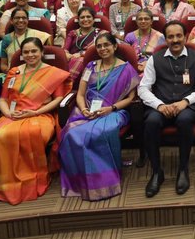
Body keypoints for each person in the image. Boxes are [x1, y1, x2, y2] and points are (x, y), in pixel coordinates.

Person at [0, 37, 71, 204]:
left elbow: (58, 99)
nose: (30, 55)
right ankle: (6, 184)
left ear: (42, 52)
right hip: (13, 114)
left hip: (40, 115)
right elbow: (3, 99)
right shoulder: (14, 72)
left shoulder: (53, 73)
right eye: (26, 52)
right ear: (21, 54)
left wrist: (34, 112)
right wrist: (8, 113)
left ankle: (31, 180)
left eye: (34, 51)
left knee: (29, 133)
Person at [60, 32, 140, 201]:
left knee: (98, 133)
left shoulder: (126, 69)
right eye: (99, 46)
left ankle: (102, 180)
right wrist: (83, 109)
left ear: (115, 46)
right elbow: (80, 94)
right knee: (70, 134)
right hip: (87, 111)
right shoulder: (90, 67)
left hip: (115, 111)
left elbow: (131, 98)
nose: (103, 49)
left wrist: (111, 108)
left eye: (106, 45)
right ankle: (80, 180)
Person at [138, 21, 195, 196]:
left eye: (179, 36)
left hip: (187, 106)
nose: (175, 40)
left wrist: (186, 101)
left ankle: (183, 169)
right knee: (151, 122)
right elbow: (143, 88)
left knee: (184, 120)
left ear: (185, 37)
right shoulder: (155, 59)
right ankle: (157, 171)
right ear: (165, 39)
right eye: (170, 37)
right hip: (161, 105)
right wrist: (159, 105)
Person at [65, 6, 101, 82]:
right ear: (78, 20)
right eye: (82, 17)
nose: (85, 19)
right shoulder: (73, 33)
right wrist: (68, 55)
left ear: (93, 19)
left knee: (81, 60)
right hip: (72, 60)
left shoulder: (100, 33)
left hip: (93, 61)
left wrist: (81, 54)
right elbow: (65, 50)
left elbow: (100, 50)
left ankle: (68, 82)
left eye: (88, 17)